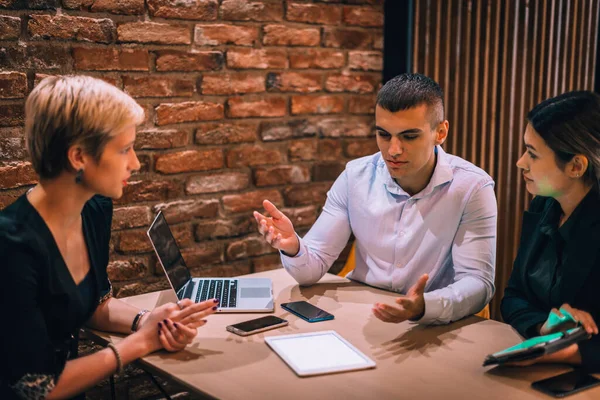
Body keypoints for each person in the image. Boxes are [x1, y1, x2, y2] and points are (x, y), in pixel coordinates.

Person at [0, 76, 217, 399]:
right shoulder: (12, 244)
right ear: (79, 157)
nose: (135, 163)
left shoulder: (94, 209)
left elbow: (92, 305)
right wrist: (141, 342)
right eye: (125, 149)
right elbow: (36, 389)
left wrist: (150, 321)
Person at [253, 73, 498, 325]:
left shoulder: (472, 187)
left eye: (409, 136)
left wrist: (427, 306)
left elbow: (478, 283)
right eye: (384, 134)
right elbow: (311, 270)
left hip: (436, 324)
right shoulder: (355, 177)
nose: (393, 150)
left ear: (440, 132)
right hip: (363, 315)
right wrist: (293, 247)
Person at [501, 91, 600, 371]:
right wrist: (543, 326)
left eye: (532, 154)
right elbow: (512, 298)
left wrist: (567, 352)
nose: (521, 162)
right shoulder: (544, 205)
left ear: (576, 166)